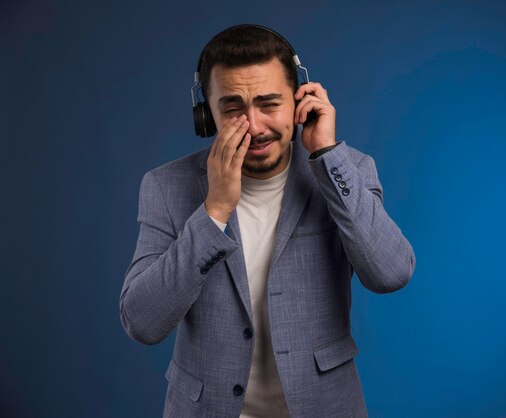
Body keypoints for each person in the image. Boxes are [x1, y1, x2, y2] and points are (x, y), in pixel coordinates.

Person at [120, 24, 415, 418]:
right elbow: (142, 322)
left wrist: (326, 155)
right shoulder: (165, 187)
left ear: (300, 101)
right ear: (206, 115)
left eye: (270, 104)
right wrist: (214, 212)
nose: (255, 126)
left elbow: (391, 273)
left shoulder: (348, 171)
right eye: (233, 109)